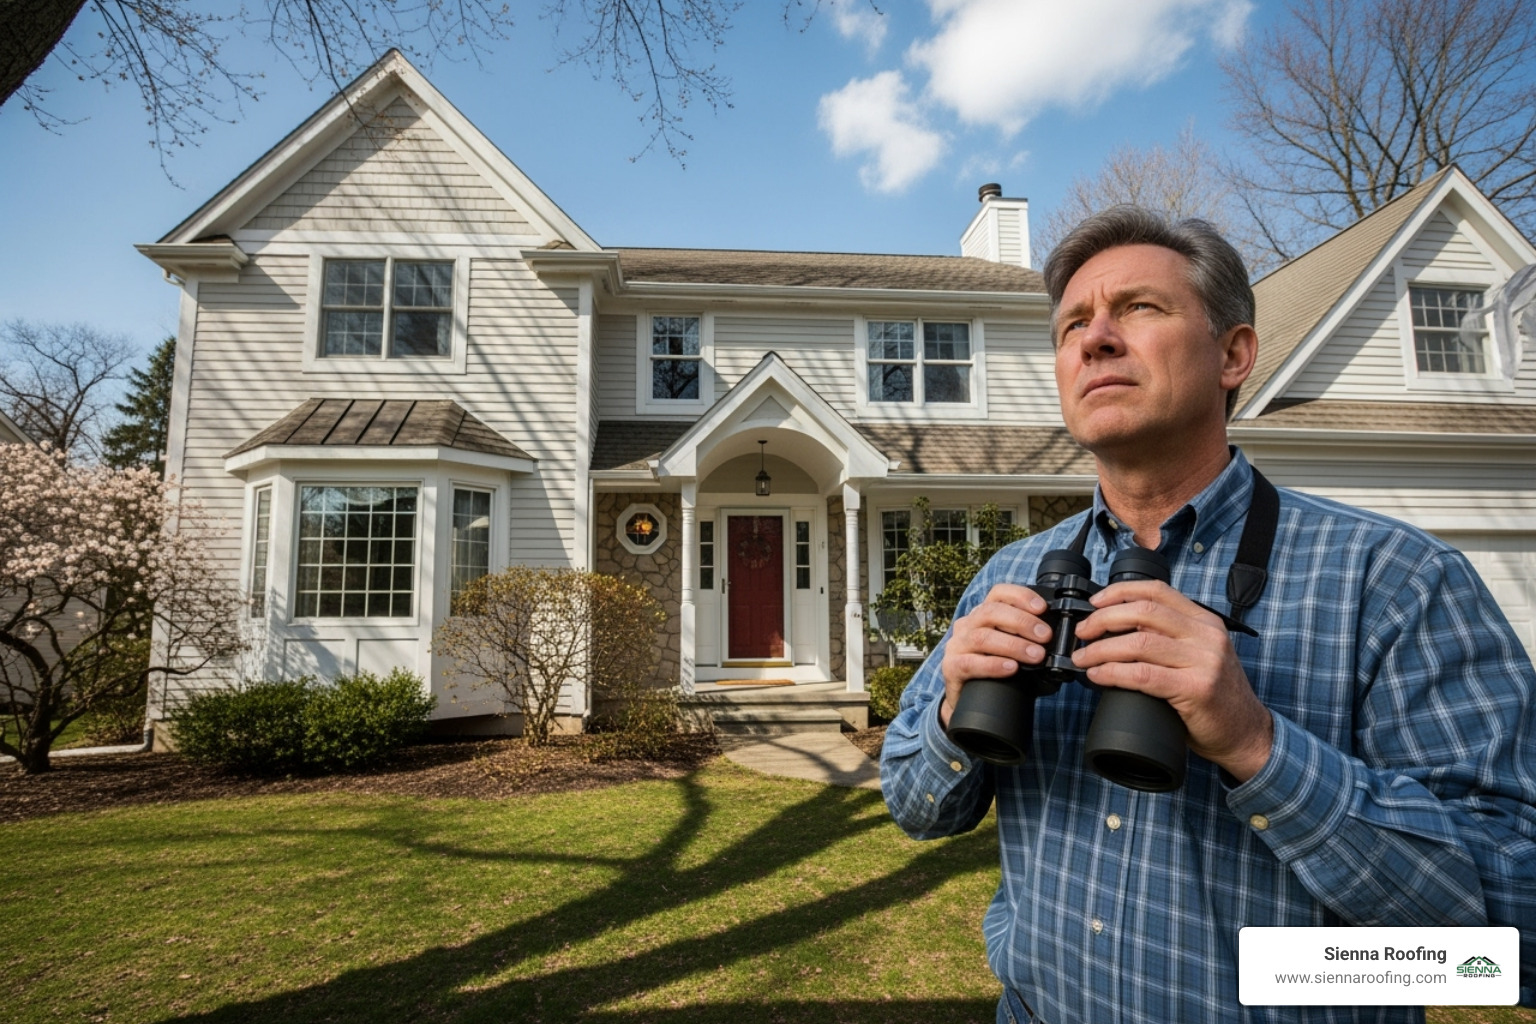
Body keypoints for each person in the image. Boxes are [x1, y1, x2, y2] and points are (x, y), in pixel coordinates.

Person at [879, 206, 1536, 1024]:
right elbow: (913, 808)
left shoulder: (1397, 580)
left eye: (1139, 309)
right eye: (1072, 324)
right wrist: (949, 712)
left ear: (1234, 354)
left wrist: (1256, 745)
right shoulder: (1009, 577)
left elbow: (1511, 938)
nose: (1095, 338)